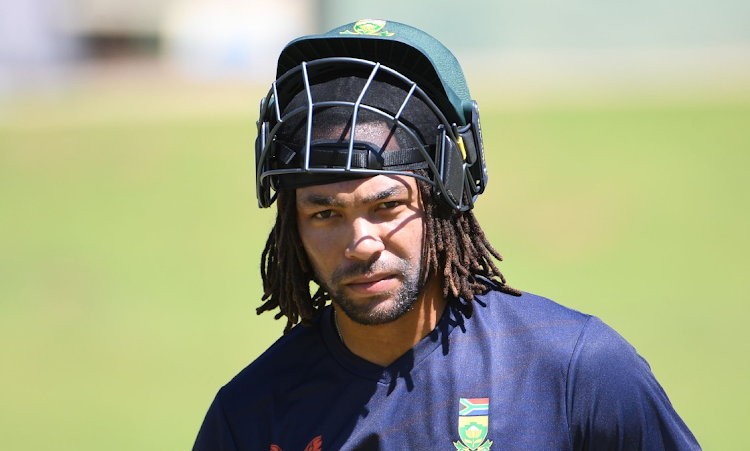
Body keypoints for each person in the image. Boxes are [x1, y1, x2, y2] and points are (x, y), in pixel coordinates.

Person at [193, 19, 701, 451]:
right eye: (324, 214)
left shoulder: (576, 370)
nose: (361, 243)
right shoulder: (250, 414)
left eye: (387, 205)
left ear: (443, 201)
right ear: (291, 228)